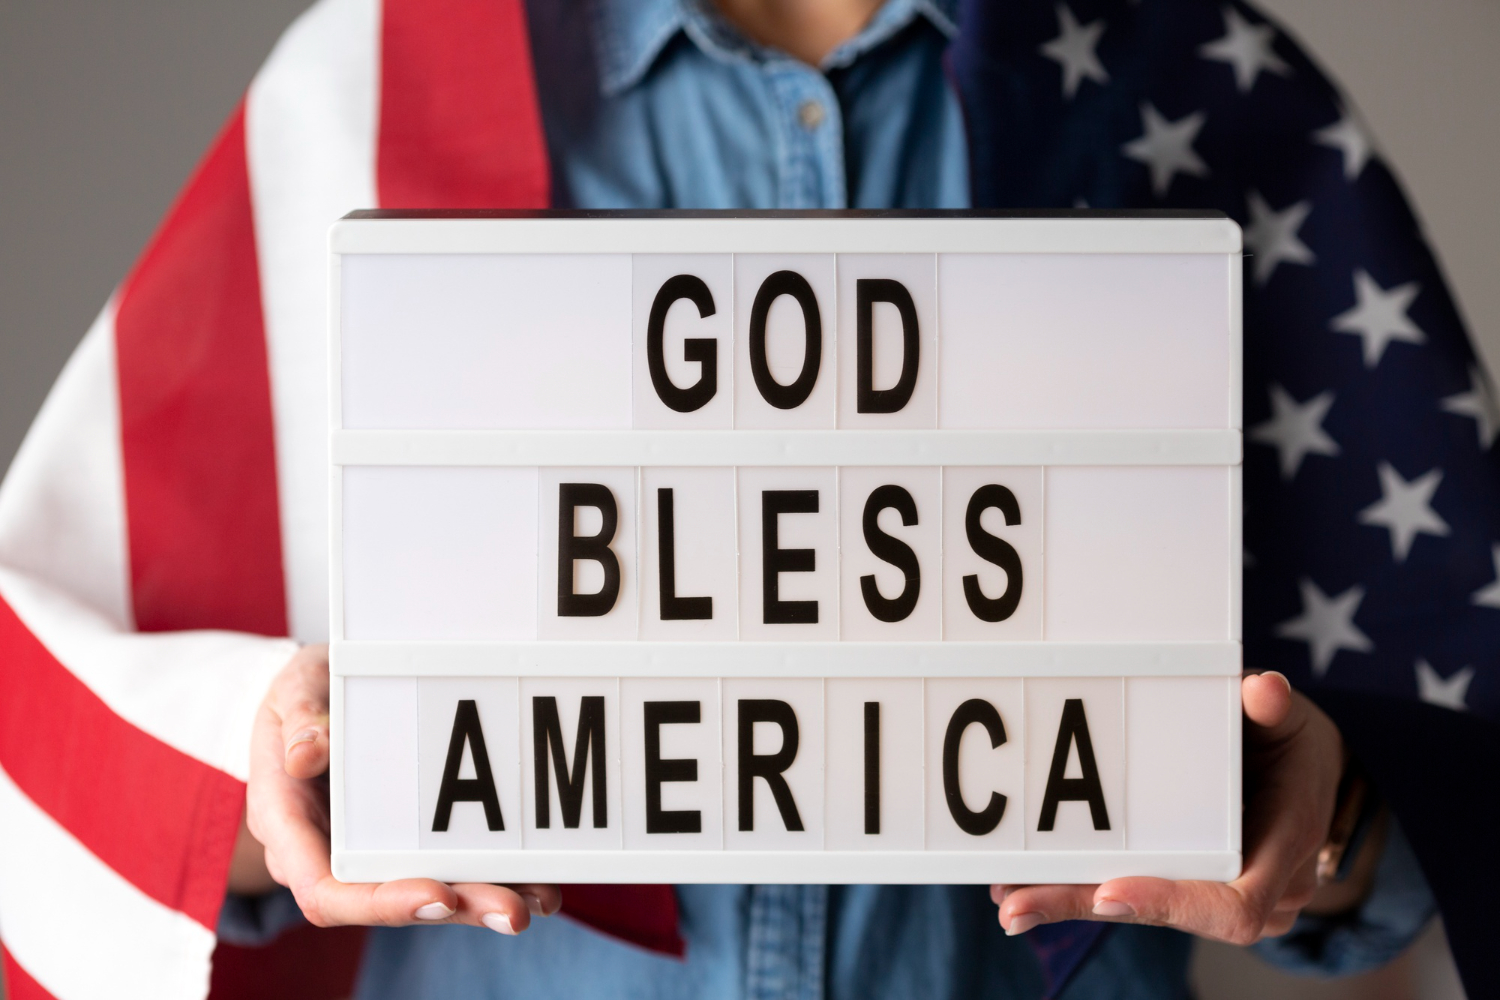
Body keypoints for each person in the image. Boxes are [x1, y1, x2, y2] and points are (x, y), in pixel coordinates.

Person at [1, 0, 1488, 997]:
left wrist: (1336, 813)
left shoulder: (1182, 74)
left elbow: (1424, 753)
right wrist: (278, 762)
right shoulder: (390, 67)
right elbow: (77, 712)